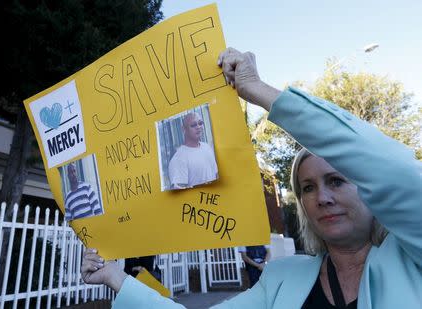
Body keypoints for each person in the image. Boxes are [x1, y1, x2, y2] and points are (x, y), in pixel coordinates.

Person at [81, 48, 421, 308]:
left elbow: (398, 169)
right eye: (307, 187)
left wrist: (257, 90)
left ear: (369, 186)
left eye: (336, 181)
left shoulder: (411, 257)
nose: (323, 197)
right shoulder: (282, 279)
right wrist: (114, 276)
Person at [168, 112, 218, 189]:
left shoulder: (207, 147)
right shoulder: (179, 158)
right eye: (193, 125)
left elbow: (216, 175)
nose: (198, 127)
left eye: (200, 123)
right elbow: (180, 194)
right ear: (184, 129)